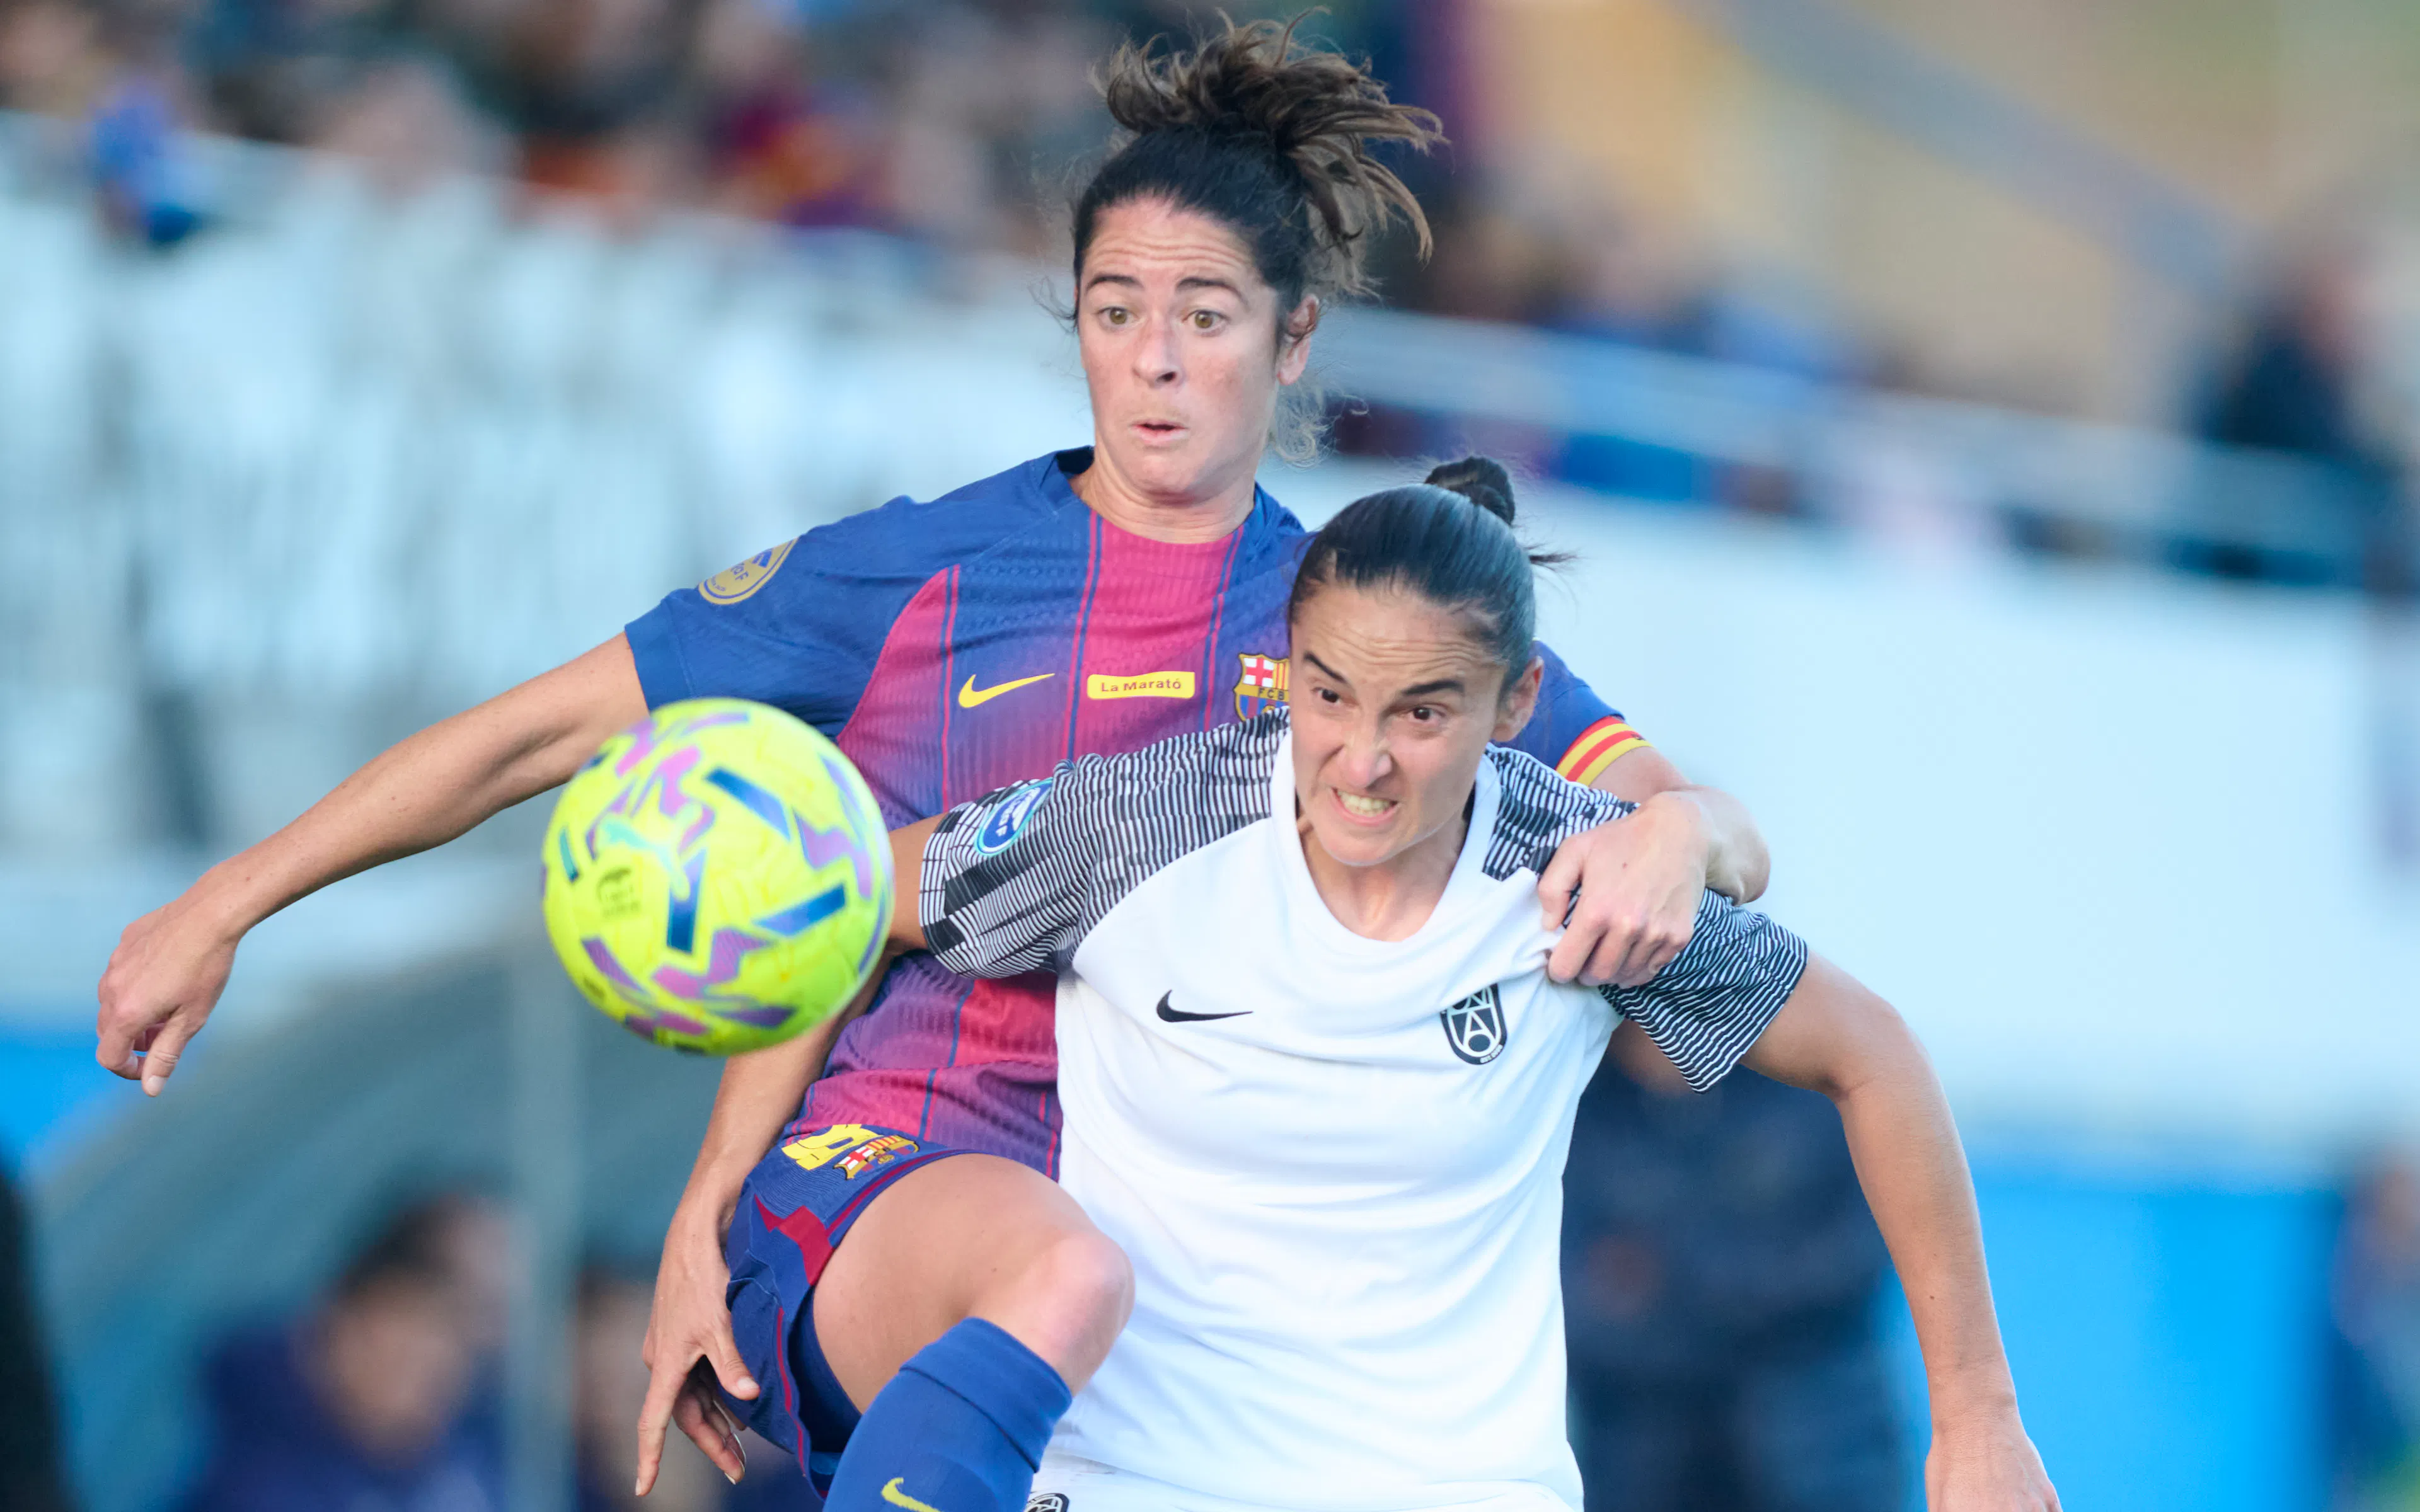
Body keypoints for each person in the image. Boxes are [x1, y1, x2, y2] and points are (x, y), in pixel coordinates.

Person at [94, 19, 1770, 1504]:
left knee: (1107, 1298)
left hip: (1185, 1257)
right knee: (1057, 1278)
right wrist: (228, 904)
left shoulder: (1368, 628)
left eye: (1205, 316)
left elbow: (1701, 833)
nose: (1156, 359)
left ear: (1296, 339)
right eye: (1115, 311)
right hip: (896, 1184)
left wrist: (1675, 836)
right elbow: (553, 736)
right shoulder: (920, 573)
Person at [893, 459, 2058, 1512]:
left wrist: (1979, 1423)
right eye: (1329, 695)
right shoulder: (1143, 825)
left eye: (1422, 712)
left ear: (1517, 703)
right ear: (1285, 669)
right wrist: (762, 1180)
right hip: (1135, 1483)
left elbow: (1873, 1053)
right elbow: (845, 898)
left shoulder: (1575, 876)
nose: (1362, 760)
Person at [1563, 1024, 1900, 1512]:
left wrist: (1673, 1280)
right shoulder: (1571, 1103)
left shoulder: (1813, 1079)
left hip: (1821, 1456)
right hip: (1640, 1464)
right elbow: (1566, 1299)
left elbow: (1855, 1253)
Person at [180, 1198, 504, 1512]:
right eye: (396, 1355)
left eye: (438, 1361)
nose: (416, 1378)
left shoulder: (466, 1460)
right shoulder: (259, 1487)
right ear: (336, 1331)